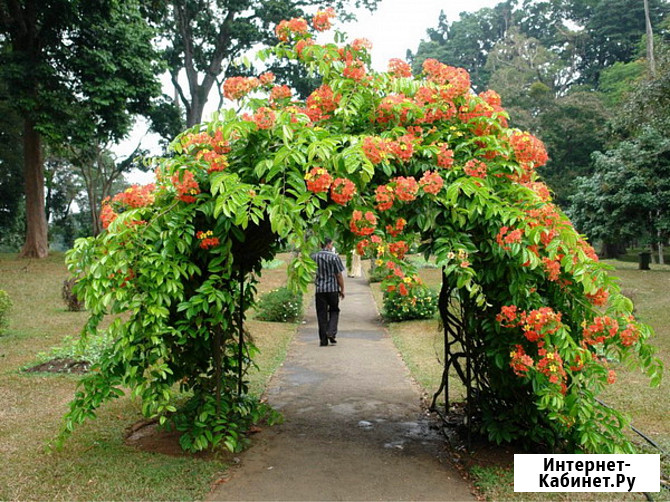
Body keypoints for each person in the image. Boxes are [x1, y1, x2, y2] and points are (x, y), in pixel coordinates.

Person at [312, 238, 345, 346]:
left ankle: (323, 340)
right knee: (334, 310)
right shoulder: (334, 257)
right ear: (329, 244)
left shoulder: (314, 257)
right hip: (332, 289)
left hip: (320, 289)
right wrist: (342, 289)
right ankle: (331, 331)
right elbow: (339, 275)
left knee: (321, 314)